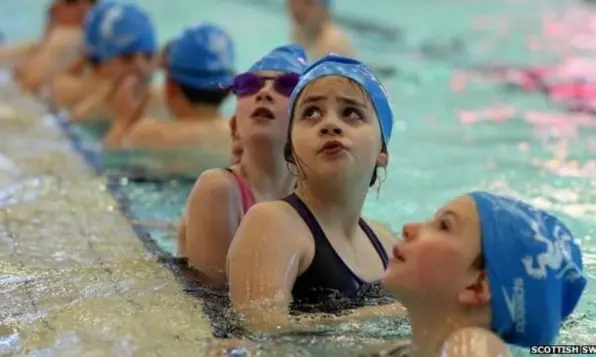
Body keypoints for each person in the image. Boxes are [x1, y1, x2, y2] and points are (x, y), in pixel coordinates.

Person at [227, 54, 404, 332]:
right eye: (311, 113)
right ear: (291, 150)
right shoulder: (273, 224)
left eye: (351, 113)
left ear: (382, 151)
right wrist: (378, 315)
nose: (330, 124)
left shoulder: (388, 246)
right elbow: (259, 332)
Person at [373, 192, 587, 357]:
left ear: (478, 286)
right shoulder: (398, 350)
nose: (408, 228)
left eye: (444, 226)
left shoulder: (474, 344)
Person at [177, 44, 308, 285]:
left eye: (287, 86)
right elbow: (216, 304)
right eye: (249, 84)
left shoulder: (316, 201)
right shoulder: (218, 188)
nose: (264, 93)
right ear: (235, 126)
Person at [103, 23, 236, 176]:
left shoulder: (150, 135)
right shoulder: (242, 137)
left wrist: (121, 122)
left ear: (170, 85)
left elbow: (107, 163)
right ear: (229, 90)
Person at [65, 1, 157, 123]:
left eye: (148, 56)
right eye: (127, 57)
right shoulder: (84, 113)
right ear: (101, 62)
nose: (140, 67)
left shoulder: (162, 105)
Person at [12, 0, 97, 92]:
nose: (56, 5)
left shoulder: (68, 36)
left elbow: (29, 81)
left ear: (86, 9)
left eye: (69, 1)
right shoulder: (70, 35)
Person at [286, 0, 354, 59]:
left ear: (324, 8)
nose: (298, 8)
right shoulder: (301, 30)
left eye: (308, 3)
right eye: (294, 1)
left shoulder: (332, 44)